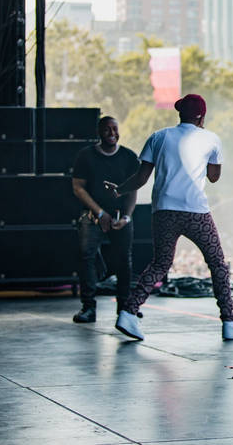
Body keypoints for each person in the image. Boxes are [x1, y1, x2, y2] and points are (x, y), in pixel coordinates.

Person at [108, 94, 233, 342]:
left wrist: (119, 189)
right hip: (196, 212)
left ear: (180, 114)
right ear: (202, 116)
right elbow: (214, 177)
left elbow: (141, 179)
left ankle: (128, 313)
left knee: (160, 264)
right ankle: (229, 323)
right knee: (217, 264)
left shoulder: (159, 137)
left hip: (164, 211)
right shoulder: (211, 139)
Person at [70, 116, 139, 324]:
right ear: (99, 133)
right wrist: (100, 213)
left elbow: (133, 189)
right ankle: (88, 307)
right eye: (107, 130)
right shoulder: (86, 156)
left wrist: (127, 217)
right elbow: (78, 187)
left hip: (120, 217)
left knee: (123, 261)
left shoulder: (128, 157)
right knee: (86, 257)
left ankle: (125, 309)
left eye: (115, 129)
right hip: (93, 216)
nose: (112, 133)